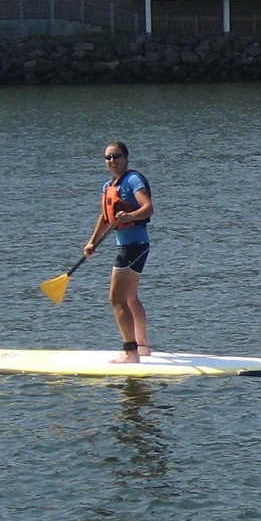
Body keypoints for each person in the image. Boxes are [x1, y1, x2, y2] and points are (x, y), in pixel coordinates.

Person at [85, 141, 154, 363]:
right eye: (108, 157)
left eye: (116, 156)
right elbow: (105, 217)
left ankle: (130, 352)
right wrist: (92, 242)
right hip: (133, 246)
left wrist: (131, 216)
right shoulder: (108, 186)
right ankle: (143, 347)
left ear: (126, 158)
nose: (112, 161)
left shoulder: (133, 180)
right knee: (130, 297)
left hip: (134, 246)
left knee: (116, 299)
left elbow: (148, 208)